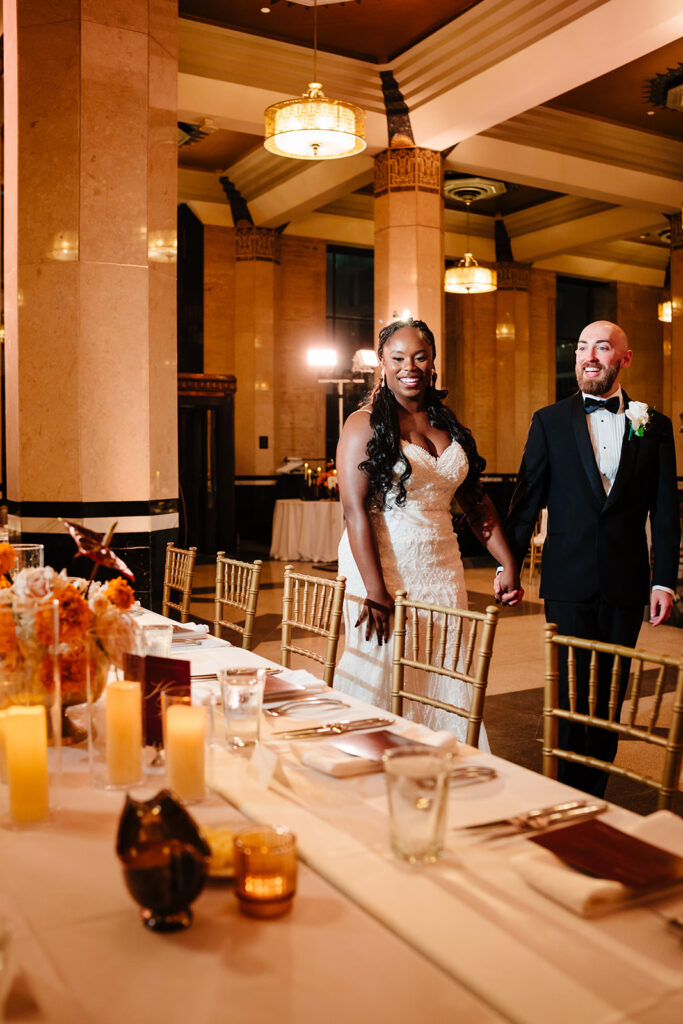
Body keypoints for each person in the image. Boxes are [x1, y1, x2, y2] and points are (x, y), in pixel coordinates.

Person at [499, 320, 680, 795]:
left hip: (625, 583)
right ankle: (560, 791)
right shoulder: (549, 421)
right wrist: (509, 564)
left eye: (602, 347)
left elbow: (665, 510)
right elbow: (526, 498)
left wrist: (663, 581)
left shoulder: (653, 424)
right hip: (566, 580)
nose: (590, 357)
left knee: (609, 697)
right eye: (582, 348)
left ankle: (592, 793)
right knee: (568, 693)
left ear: (625, 357)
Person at [334, 317, 522, 744]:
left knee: (444, 664)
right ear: (382, 362)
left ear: (433, 361)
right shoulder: (363, 424)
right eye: (398, 357)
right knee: (385, 667)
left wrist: (507, 562)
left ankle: (444, 763)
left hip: (442, 568)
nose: (409, 366)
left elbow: (475, 501)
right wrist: (376, 593)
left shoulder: (446, 421)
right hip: (384, 568)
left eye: (420, 356)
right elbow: (354, 511)